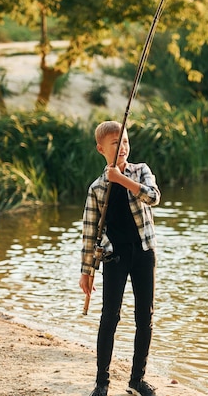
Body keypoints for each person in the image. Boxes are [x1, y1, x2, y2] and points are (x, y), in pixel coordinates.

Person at [79, 120, 161, 396]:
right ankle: (102, 382)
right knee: (109, 317)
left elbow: (153, 197)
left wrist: (122, 179)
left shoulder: (141, 171)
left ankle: (137, 380)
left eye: (125, 141)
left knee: (144, 316)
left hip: (144, 253)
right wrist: (86, 272)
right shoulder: (97, 188)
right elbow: (90, 233)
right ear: (101, 148)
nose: (123, 147)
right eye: (116, 143)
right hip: (114, 256)